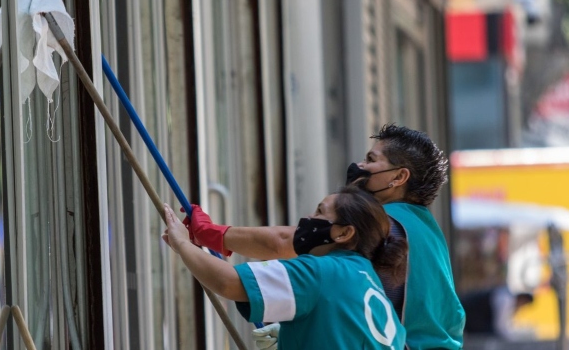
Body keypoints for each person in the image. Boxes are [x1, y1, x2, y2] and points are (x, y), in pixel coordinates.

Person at [185, 123, 466, 349]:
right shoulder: (426, 230)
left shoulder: (387, 223)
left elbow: (287, 242)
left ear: (399, 177)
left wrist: (214, 234)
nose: (359, 166)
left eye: (371, 160)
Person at [163, 185, 409, 349]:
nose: (309, 218)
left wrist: (183, 244)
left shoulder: (323, 272)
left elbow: (228, 282)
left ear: (344, 233)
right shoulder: (370, 284)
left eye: (320, 211)